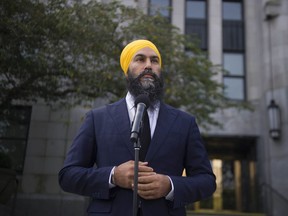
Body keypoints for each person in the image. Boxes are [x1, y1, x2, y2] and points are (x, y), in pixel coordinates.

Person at [58, 39, 216, 216]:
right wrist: (113, 175)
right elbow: (68, 176)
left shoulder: (184, 122)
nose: (148, 65)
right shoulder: (98, 118)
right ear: (127, 71)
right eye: (140, 59)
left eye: (154, 60)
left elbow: (207, 181)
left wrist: (170, 185)